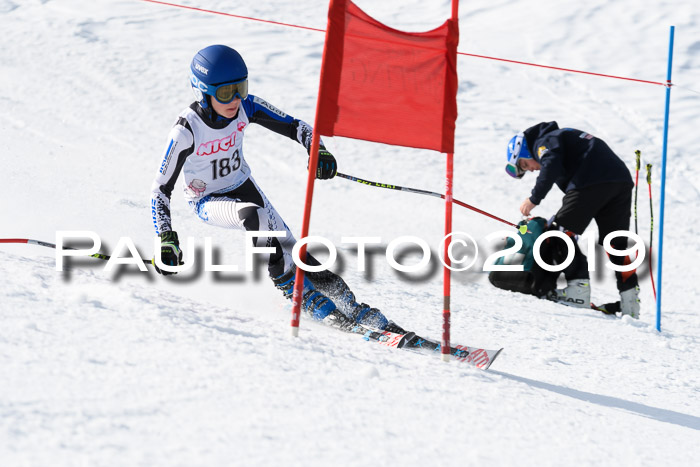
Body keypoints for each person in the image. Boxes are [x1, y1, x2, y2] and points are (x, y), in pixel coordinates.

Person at [150, 44, 404, 332]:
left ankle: (352, 306)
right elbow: (160, 189)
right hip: (207, 200)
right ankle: (297, 295)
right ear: (203, 92)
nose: (235, 99)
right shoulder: (186, 130)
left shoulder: (246, 107)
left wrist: (317, 150)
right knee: (253, 216)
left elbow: (298, 127)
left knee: (292, 250)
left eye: (240, 88)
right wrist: (166, 238)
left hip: (244, 186)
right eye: (224, 93)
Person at [504, 121, 641, 318]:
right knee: (616, 244)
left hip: (590, 181)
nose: (532, 169)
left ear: (525, 149)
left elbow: (550, 163)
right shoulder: (561, 136)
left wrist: (534, 198)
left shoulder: (543, 141)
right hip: (619, 181)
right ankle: (630, 302)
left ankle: (578, 290)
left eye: (525, 164)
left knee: (560, 233)